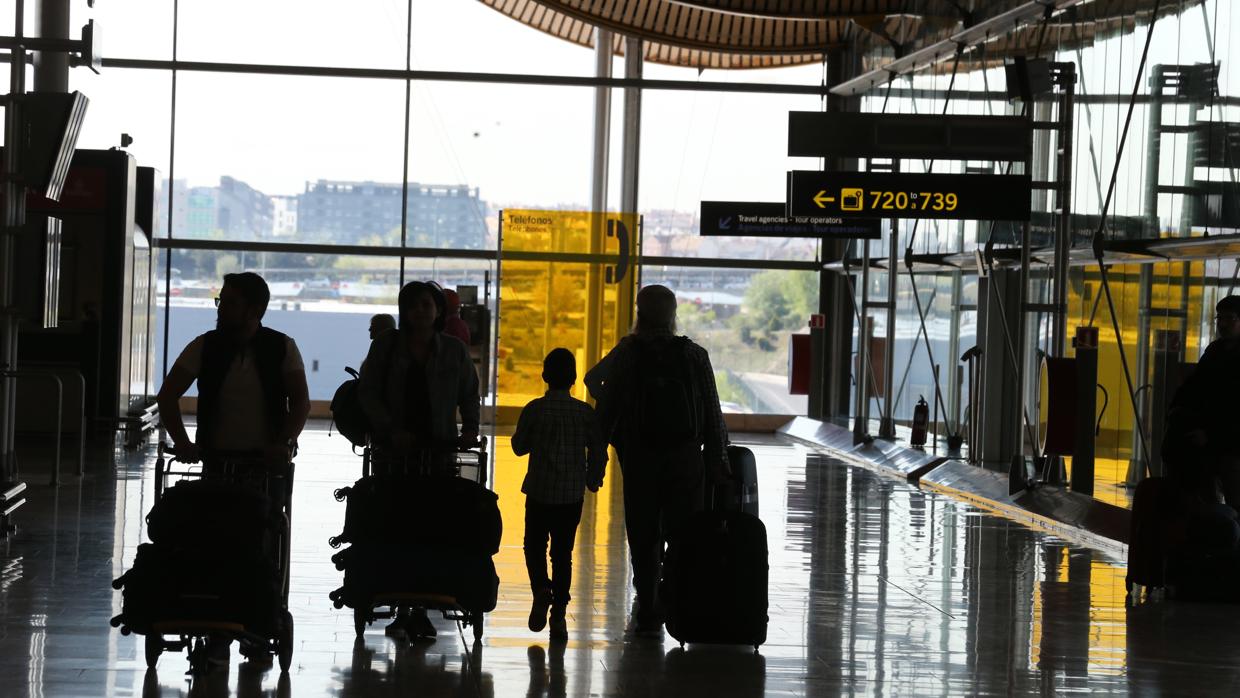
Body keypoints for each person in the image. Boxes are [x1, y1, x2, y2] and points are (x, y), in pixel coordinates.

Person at [156, 272, 310, 669]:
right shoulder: (205, 346)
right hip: (218, 459)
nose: (222, 308)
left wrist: (283, 443)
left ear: (254, 309)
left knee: (257, 543)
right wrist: (184, 442)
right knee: (219, 542)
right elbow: (168, 395)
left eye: (230, 302)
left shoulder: (280, 347)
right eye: (221, 301)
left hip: (263, 463)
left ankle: (251, 624)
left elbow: (300, 404)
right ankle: (226, 630)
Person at [585, 284, 730, 635]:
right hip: (685, 456)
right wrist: (719, 459)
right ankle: (675, 591)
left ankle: (648, 599)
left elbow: (594, 384)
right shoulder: (694, 355)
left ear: (639, 314)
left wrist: (599, 453)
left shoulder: (628, 352)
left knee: (642, 526)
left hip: (640, 455)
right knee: (683, 527)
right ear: (673, 314)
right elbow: (712, 411)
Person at [358, 280, 481, 640]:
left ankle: (419, 606)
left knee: (431, 523)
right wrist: (388, 428)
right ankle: (403, 603)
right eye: (413, 306)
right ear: (404, 311)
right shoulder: (386, 346)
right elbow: (368, 391)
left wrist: (470, 427)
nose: (420, 312)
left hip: (439, 449)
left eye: (427, 305)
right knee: (395, 521)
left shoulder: (454, 351)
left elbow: (469, 393)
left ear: (438, 310)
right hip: (393, 451)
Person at [511, 348, 607, 641]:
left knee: (534, 546)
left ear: (544, 376)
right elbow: (600, 451)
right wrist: (593, 478)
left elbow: (518, 447)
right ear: (574, 378)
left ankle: (541, 588)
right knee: (562, 554)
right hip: (570, 495)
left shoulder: (534, 409)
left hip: (539, 492)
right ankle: (560, 616)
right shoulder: (584, 413)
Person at [1167, 295, 1240, 508]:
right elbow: (1194, 387)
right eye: (1220, 318)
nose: (1223, 324)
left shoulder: (1219, 353)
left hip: (1231, 446)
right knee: (1207, 502)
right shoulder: (1214, 351)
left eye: (1230, 318)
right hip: (1208, 442)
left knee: (1234, 499)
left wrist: (1211, 434)